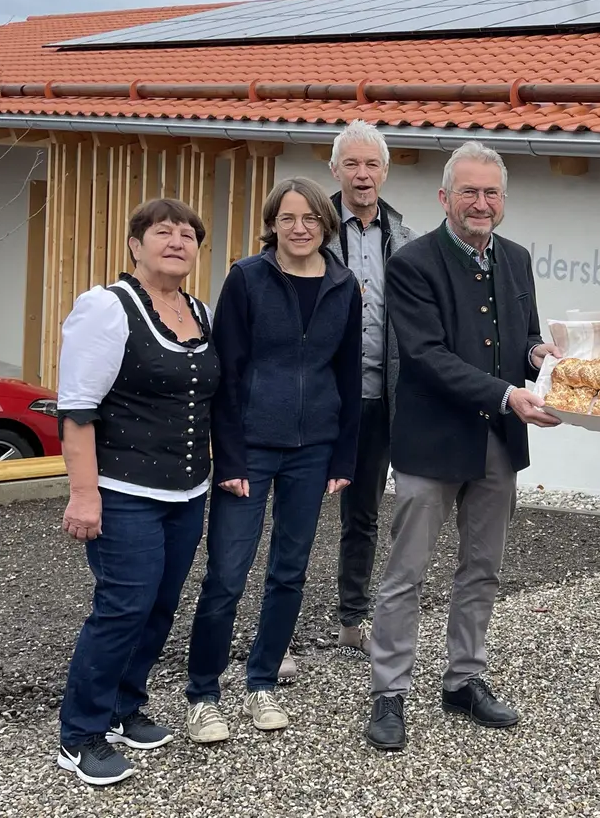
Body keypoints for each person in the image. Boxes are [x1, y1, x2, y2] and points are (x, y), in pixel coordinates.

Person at [362, 142, 562, 752]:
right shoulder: (414, 263)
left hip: (497, 443)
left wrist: (539, 357)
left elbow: (523, 336)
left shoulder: (518, 259)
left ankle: (463, 678)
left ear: (503, 200)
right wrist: (508, 394)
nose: (481, 203)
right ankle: (389, 691)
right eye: (469, 192)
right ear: (444, 197)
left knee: (483, 568)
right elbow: (425, 358)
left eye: (492, 193)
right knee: (407, 572)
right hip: (432, 442)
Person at [182, 178, 363, 742]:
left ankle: (261, 681)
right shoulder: (246, 279)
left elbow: (349, 374)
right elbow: (226, 373)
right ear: (273, 224)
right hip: (251, 449)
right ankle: (203, 693)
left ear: (324, 225)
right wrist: (230, 456)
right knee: (227, 574)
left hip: (314, 451)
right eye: (288, 218)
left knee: (290, 570)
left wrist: (344, 455)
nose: (300, 228)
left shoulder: (344, 284)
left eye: (310, 218)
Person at [53, 199, 219, 786]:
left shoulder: (197, 309)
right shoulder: (107, 308)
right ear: (134, 245)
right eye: (161, 232)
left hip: (187, 490)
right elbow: (77, 410)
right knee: (122, 607)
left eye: (187, 234)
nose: (176, 241)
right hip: (122, 489)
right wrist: (83, 494)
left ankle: (124, 707)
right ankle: (80, 734)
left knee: (158, 607)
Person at [327, 119, 414, 659]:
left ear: (385, 170)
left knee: (363, 512)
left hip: (381, 396)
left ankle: (352, 617)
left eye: (372, 164)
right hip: (322, 397)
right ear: (334, 169)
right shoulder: (312, 227)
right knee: (287, 511)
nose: (363, 175)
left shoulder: (402, 236)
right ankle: (275, 626)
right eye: (352, 164)